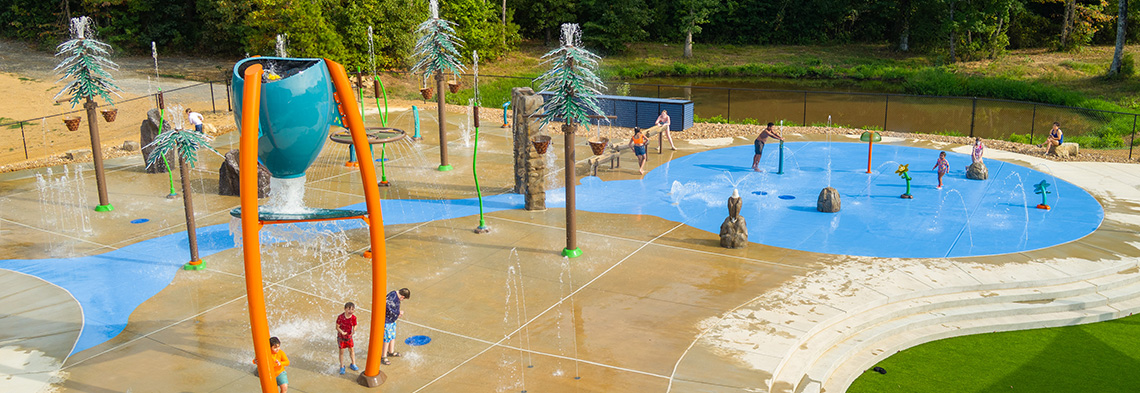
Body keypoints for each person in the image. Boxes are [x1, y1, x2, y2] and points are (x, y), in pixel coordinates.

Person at [382, 288, 411, 365]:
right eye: (403, 299)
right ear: (402, 296)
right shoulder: (393, 297)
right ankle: (384, 356)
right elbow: (388, 307)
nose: (402, 300)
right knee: (387, 338)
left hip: (392, 321)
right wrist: (398, 313)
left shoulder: (394, 295)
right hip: (387, 321)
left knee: (392, 336)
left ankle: (391, 351)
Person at [336, 302, 359, 375]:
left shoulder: (353, 318)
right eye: (349, 309)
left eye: (352, 309)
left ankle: (353, 363)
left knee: (351, 350)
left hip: (349, 337)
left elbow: (355, 325)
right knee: (341, 352)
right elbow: (337, 327)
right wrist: (341, 332)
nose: (350, 311)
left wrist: (354, 330)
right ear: (345, 309)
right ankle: (342, 365)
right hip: (341, 338)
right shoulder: (340, 317)